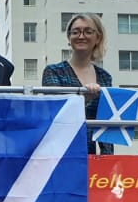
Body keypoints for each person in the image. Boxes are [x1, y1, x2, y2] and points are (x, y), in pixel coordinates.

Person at [41, 14, 115, 155]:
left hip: (91, 155)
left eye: (88, 31)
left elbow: (107, 125)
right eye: (76, 32)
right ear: (69, 38)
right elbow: (56, 111)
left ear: (97, 38)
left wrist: (108, 159)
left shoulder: (105, 77)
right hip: (60, 152)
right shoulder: (53, 71)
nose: (81, 36)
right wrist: (84, 99)